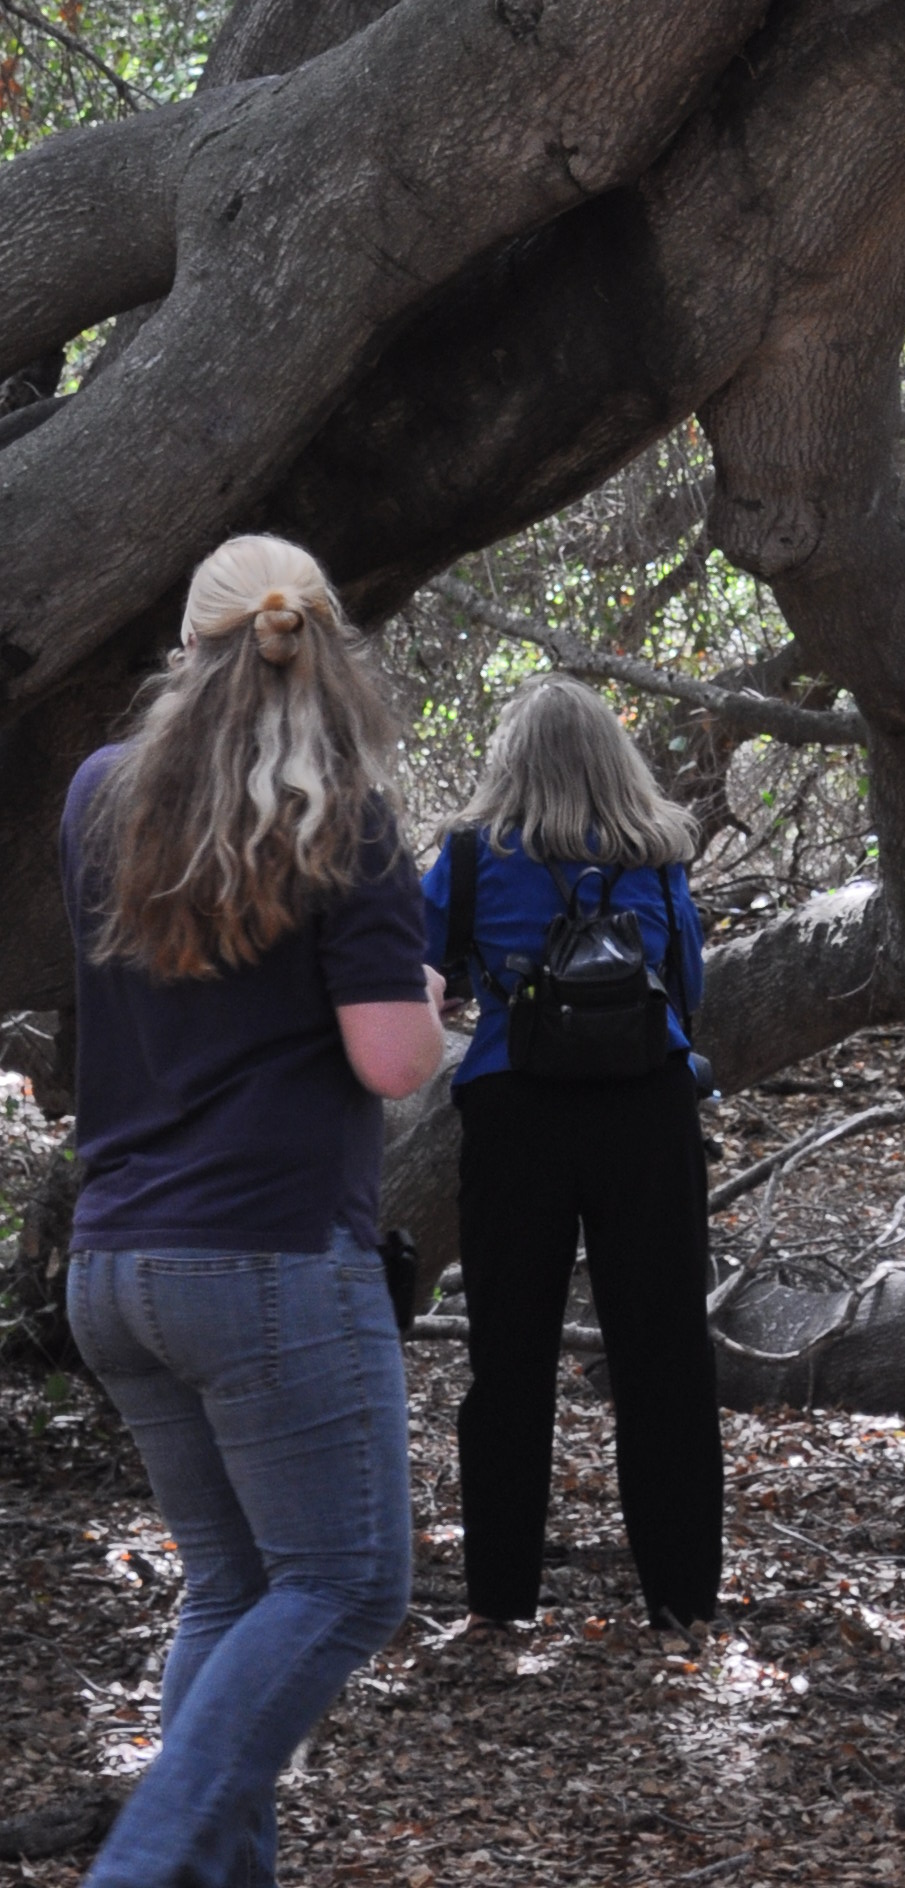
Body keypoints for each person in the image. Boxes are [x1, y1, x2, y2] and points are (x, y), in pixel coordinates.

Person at [60, 534, 448, 1888]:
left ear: (190, 649)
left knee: (232, 1592)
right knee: (346, 1583)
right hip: (268, 1257)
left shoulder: (100, 796)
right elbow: (392, 1063)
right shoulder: (347, 817)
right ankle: (141, 1864)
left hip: (116, 1263)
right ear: (327, 650)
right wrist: (435, 1000)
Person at [427, 673, 723, 1640]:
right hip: (647, 1107)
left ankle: (500, 1602)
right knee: (665, 1356)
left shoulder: (472, 856)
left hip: (516, 1111)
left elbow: (424, 968)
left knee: (510, 1359)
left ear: (510, 758)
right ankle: (681, 1600)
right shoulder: (656, 855)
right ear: (614, 759)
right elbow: (685, 986)